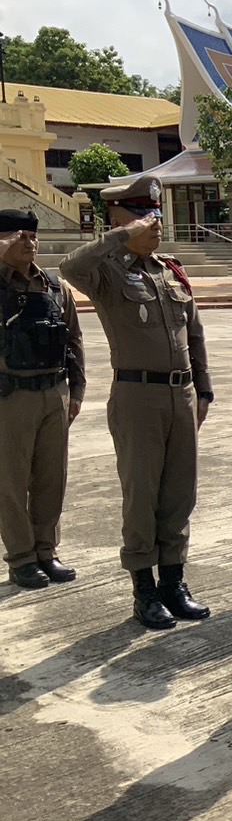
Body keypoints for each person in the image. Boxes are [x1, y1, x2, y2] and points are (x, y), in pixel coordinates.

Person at [59, 175, 214, 630]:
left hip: (181, 395)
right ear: (119, 221)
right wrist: (122, 237)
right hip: (137, 396)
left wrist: (204, 390)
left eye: (157, 215)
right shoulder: (107, 272)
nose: (155, 223)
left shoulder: (170, 271)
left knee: (179, 494)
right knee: (142, 495)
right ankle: (144, 590)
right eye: (144, 216)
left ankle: (174, 583)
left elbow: (195, 334)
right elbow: (69, 266)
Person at [0, 209, 84, 589]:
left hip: (53, 393)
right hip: (10, 396)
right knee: (10, 482)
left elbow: (73, 340)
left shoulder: (53, 286)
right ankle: (21, 558)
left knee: (52, 478)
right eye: (19, 235)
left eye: (33, 236)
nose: (29, 242)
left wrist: (76, 391)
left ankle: (46, 551)